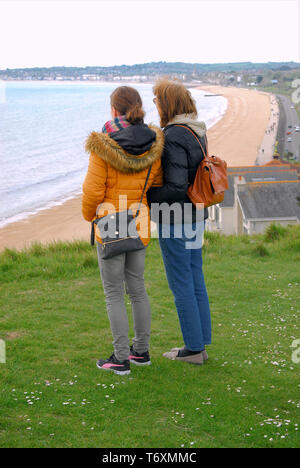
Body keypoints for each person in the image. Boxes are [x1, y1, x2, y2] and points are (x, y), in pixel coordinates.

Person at [82, 86, 164, 375]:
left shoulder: (103, 146)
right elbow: (155, 183)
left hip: (111, 224)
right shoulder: (154, 144)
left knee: (114, 293)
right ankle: (141, 351)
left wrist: (89, 216)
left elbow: (92, 193)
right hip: (138, 222)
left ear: (114, 111)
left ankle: (120, 358)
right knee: (138, 290)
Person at [147, 78, 211, 366]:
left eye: (157, 100)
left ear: (167, 103)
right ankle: (199, 344)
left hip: (175, 219)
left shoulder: (172, 135)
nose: (156, 105)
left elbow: (174, 187)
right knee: (195, 277)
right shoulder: (197, 130)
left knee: (181, 282)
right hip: (196, 217)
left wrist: (147, 196)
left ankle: (194, 349)